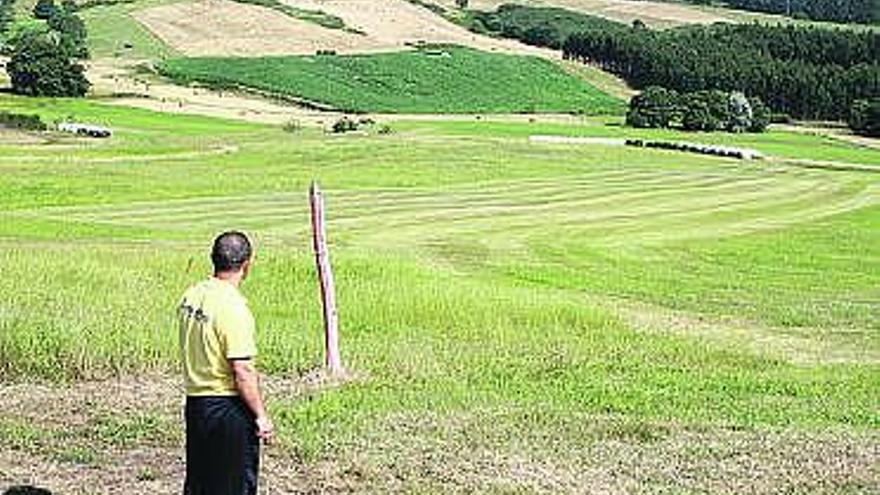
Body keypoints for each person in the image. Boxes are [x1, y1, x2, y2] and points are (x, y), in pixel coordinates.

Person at [178, 231, 273, 495]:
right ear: (247, 264)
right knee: (233, 486)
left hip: (196, 404)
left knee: (201, 484)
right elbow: (242, 369)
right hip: (227, 409)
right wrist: (261, 415)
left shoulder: (191, 295)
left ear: (213, 259)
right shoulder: (233, 308)